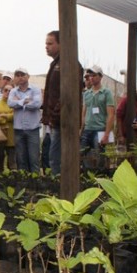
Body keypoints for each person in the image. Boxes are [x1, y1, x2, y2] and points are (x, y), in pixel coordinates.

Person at [41, 30, 83, 176]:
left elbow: (68, 94)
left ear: (61, 44)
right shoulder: (55, 64)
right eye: (46, 43)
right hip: (56, 121)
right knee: (54, 157)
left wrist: (54, 115)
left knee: (57, 158)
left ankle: (60, 188)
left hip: (63, 121)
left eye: (50, 43)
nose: (46, 46)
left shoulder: (69, 63)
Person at [7, 67, 43, 173]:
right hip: (18, 129)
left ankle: (36, 182)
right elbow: (10, 103)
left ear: (28, 76)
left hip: (33, 129)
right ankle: (23, 182)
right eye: (17, 75)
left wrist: (18, 102)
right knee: (20, 159)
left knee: (34, 158)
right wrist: (25, 101)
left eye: (22, 75)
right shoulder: (13, 91)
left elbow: (37, 104)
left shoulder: (35, 89)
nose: (20, 77)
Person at [80, 65, 115, 171]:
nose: (91, 78)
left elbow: (111, 114)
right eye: (90, 75)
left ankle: (100, 178)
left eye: (94, 75)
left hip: (100, 130)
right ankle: (87, 177)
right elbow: (84, 113)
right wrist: (81, 129)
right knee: (82, 155)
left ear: (100, 76)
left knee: (100, 157)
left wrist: (107, 134)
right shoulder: (86, 94)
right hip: (87, 129)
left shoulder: (107, 93)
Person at [0, 83, 16, 174]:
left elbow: (16, 116)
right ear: (2, 91)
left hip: (12, 134)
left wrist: (4, 116)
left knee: (12, 158)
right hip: (0, 134)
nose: (8, 92)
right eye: (6, 90)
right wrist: (7, 117)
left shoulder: (15, 104)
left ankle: (13, 176)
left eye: (10, 91)